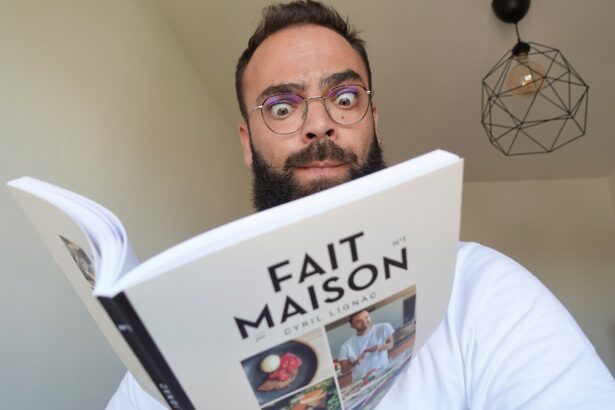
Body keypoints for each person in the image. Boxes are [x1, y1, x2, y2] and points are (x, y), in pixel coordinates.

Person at [108, 1, 615, 408]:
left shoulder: (479, 287)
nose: (319, 124)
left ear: (373, 118)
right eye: (281, 107)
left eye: (345, 98)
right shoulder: (177, 340)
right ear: (247, 142)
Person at [338, 310, 394, 380]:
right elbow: (344, 370)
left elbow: (391, 344)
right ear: (352, 326)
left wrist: (380, 347)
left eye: (366, 317)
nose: (364, 322)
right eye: (359, 321)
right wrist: (356, 362)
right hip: (363, 383)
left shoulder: (384, 327)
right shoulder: (345, 347)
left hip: (385, 374)